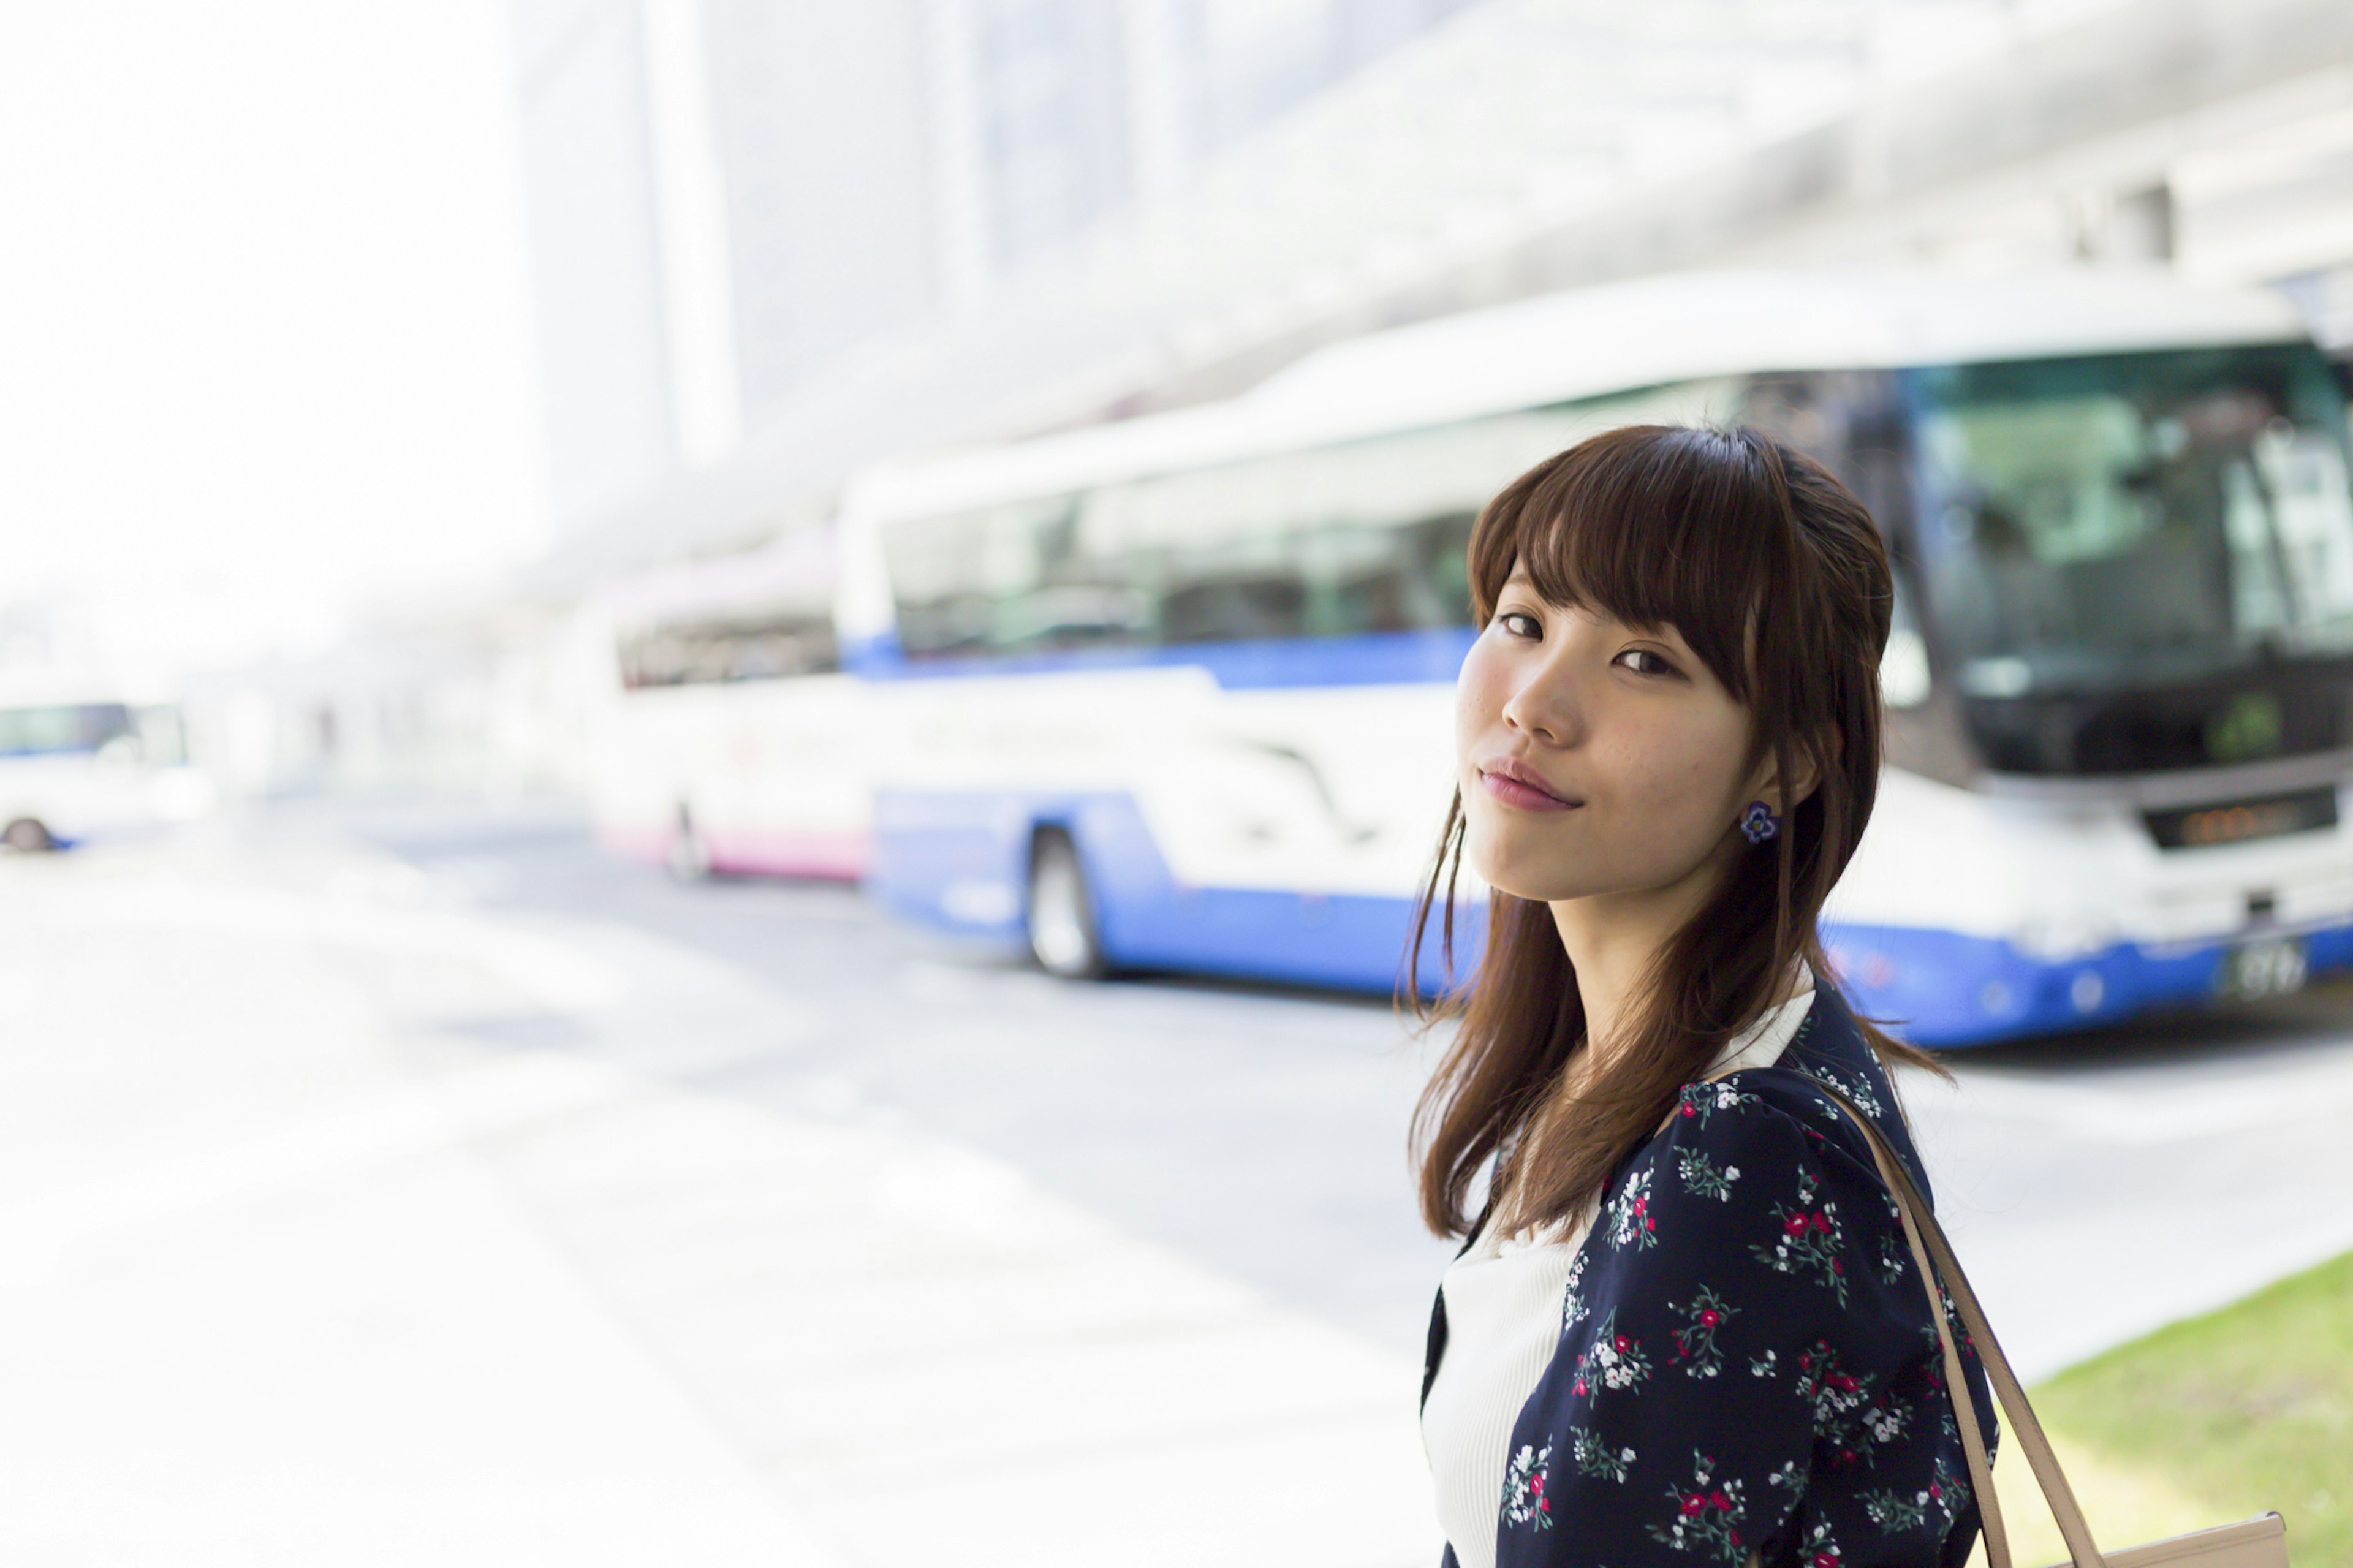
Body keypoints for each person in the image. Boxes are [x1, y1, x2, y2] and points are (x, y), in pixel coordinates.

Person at [1411, 425, 1997, 1568]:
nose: (1533, 702)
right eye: (1524, 622)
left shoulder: (1739, 1155)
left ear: (1785, 763)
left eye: (1645, 661)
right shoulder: (1627, 1069)